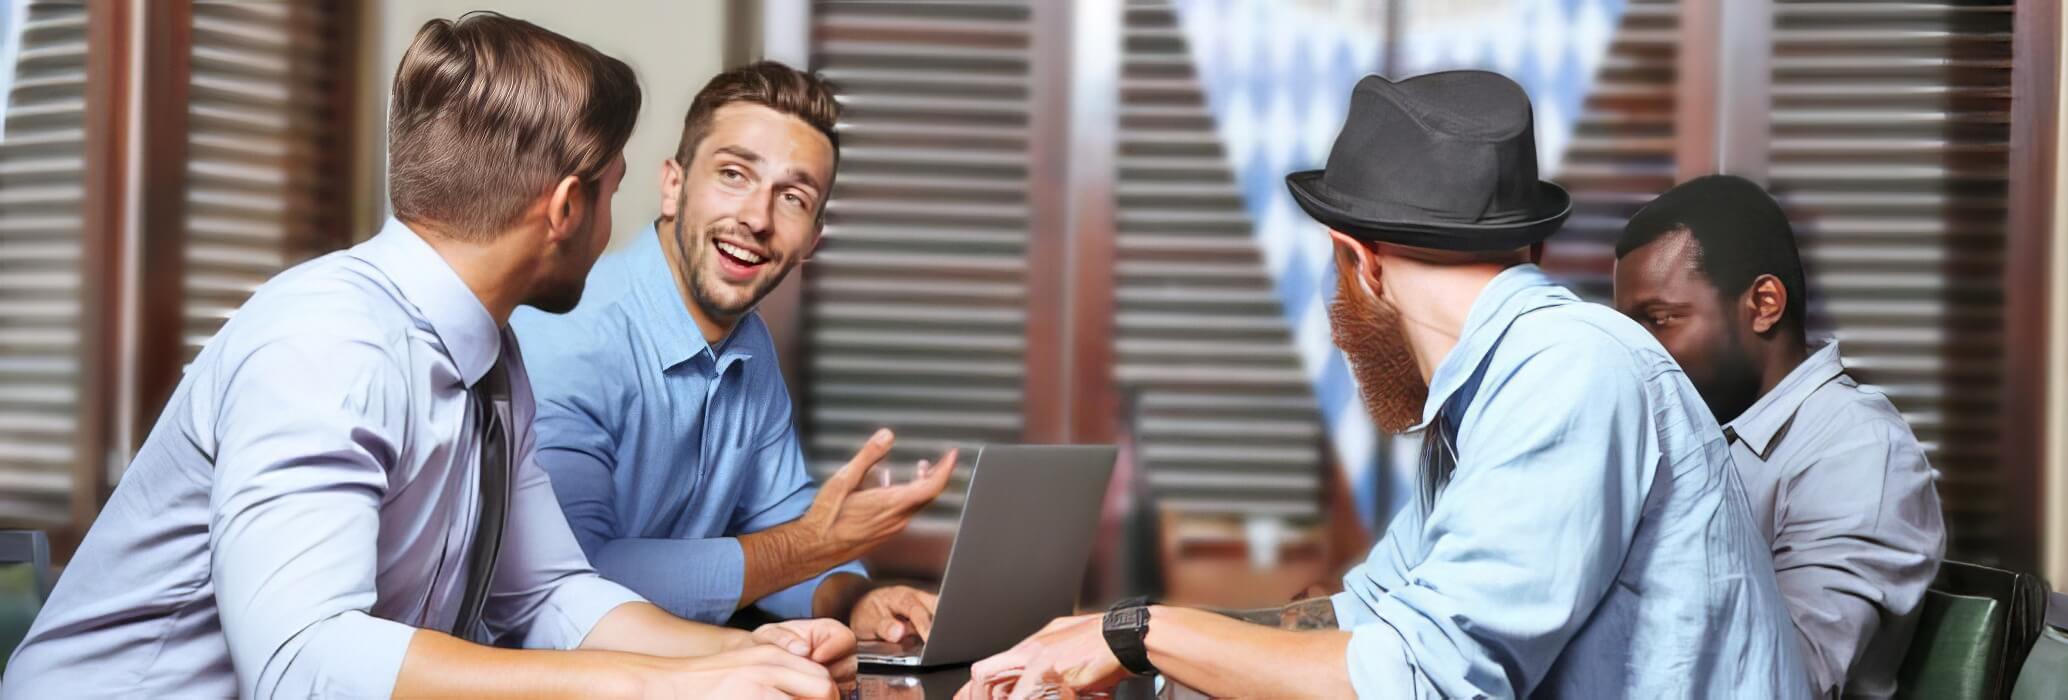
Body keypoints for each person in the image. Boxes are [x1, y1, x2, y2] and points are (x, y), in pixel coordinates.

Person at [2, 14, 851, 699]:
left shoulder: (494, 357)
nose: (613, 230)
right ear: (564, 207)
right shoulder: (328, 342)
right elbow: (303, 665)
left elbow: (550, 592)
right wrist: (654, 687)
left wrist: (744, 658)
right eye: (614, 190)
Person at [963, 71, 1809, 699]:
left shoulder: (1568, 372)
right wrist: (1113, 645)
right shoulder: (1496, 394)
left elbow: (1421, 681)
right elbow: (1364, 617)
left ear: (1359, 263)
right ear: (1527, 250)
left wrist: (1144, 633)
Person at [510, 62, 951, 646]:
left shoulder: (749, 346)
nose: (757, 218)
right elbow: (574, 581)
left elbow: (784, 529)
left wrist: (858, 599)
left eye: (792, 197)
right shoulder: (566, 335)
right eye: (735, 174)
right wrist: (814, 543)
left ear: (812, 241)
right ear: (674, 186)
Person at [1612, 174, 1947, 699]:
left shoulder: (1858, 450)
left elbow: (1785, 682)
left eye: (1659, 320)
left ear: (1764, 303)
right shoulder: (1699, 431)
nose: (1636, 353)